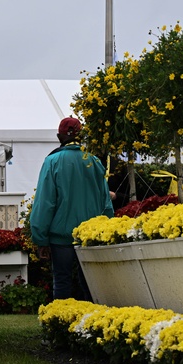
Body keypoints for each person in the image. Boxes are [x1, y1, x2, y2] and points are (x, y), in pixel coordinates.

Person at [29, 116, 114, 301]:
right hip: (90, 237)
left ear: (59, 137)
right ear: (81, 136)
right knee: (91, 286)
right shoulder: (94, 162)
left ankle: (61, 326)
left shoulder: (52, 161)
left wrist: (40, 238)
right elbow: (106, 203)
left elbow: (45, 203)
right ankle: (91, 326)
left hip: (61, 237)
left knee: (62, 282)